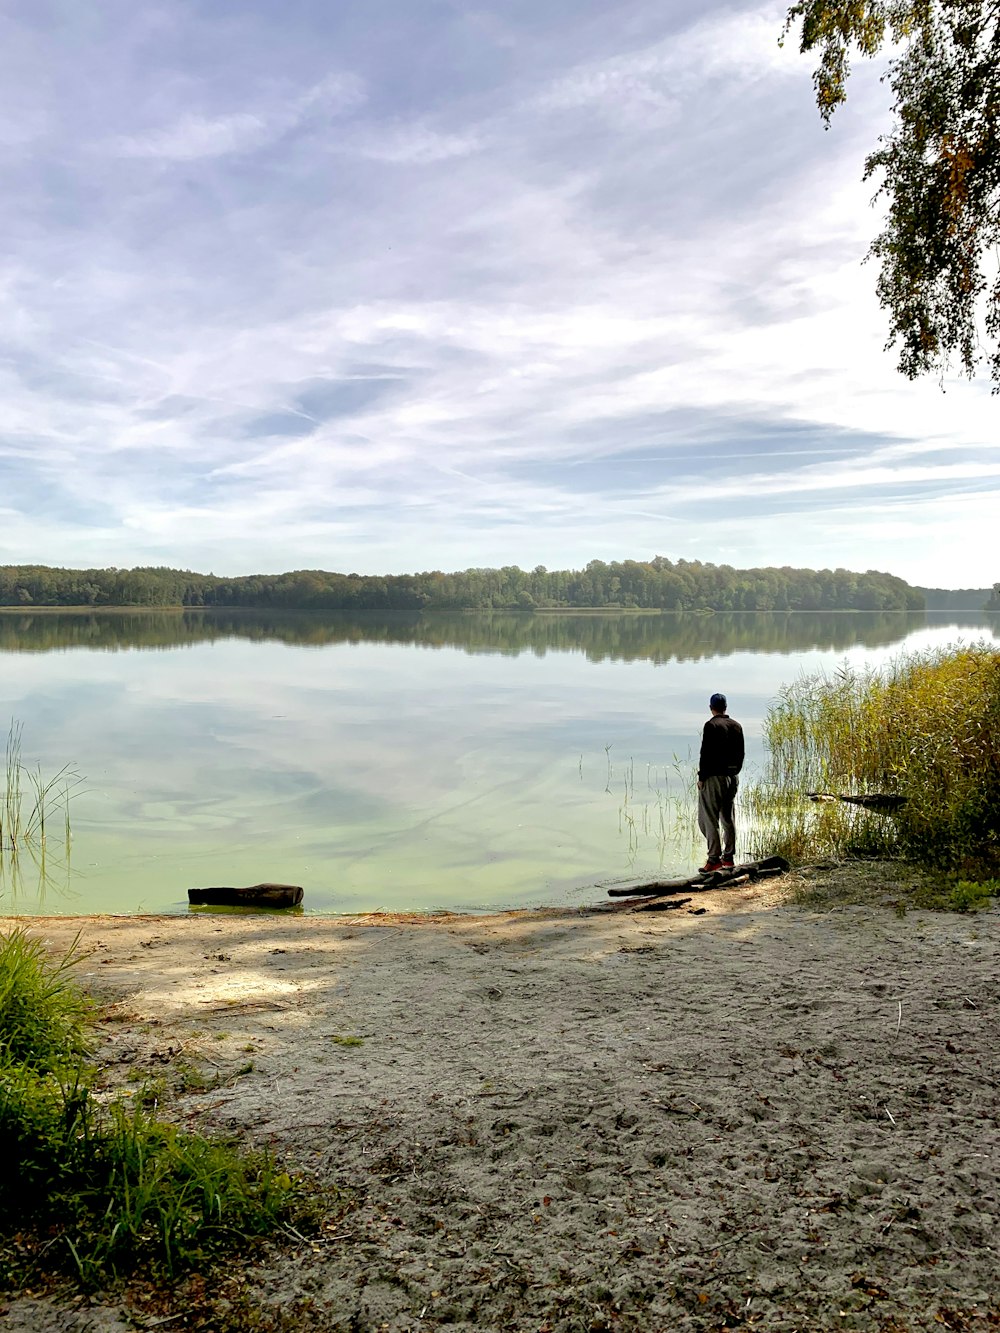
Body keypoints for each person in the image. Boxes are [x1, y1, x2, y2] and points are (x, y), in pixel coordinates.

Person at [696, 692, 744, 874]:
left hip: (714, 776)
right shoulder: (736, 726)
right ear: (725, 707)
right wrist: (734, 772)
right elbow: (741, 753)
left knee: (708, 818)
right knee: (727, 817)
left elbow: (705, 754)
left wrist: (702, 778)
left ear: (711, 708)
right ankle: (729, 858)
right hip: (732, 776)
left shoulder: (711, 726)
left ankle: (714, 859)